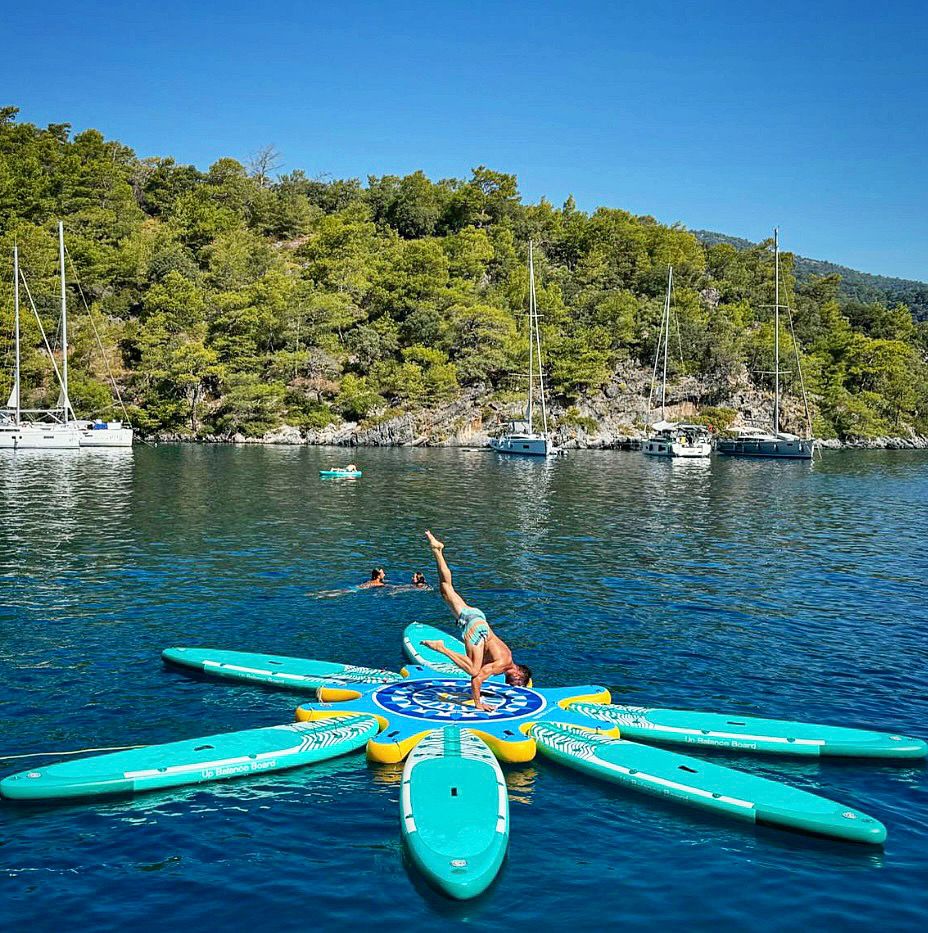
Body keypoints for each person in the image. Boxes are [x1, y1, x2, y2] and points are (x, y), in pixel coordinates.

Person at [422, 530, 531, 711]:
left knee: (446, 589)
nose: (511, 685)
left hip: (477, 618)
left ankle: (437, 550)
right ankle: (441, 647)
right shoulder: (503, 664)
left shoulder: (506, 655)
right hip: (476, 628)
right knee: (473, 670)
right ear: (519, 674)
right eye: (516, 684)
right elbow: (476, 678)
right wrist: (478, 703)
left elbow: (484, 665)